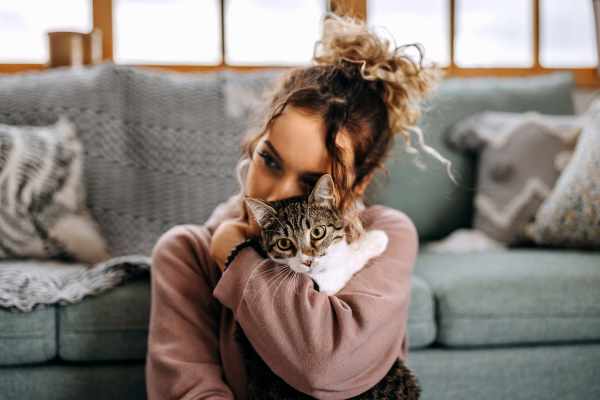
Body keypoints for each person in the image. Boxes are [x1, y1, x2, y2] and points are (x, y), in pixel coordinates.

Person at [145, 12, 456, 400]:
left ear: (358, 183)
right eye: (270, 160)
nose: (275, 195)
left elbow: (326, 366)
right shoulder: (186, 252)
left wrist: (237, 257)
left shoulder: (387, 236)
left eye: (311, 183)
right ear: (253, 143)